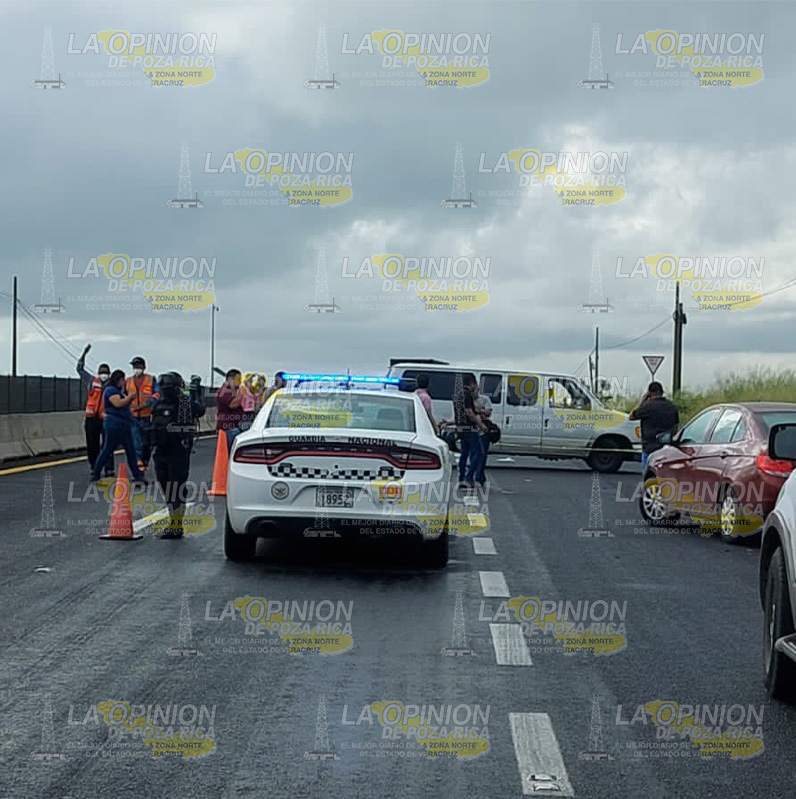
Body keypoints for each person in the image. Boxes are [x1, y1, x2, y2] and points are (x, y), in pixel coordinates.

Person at [149, 371, 205, 539]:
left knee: (177, 488)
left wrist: (191, 393)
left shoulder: (186, 404)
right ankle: (174, 520)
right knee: (166, 487)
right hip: (160, 451)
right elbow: (151, 428)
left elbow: (200, 410)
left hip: (178, 452)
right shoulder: (158, 405)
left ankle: (176, 525)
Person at [91, 370, 147, 483]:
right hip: (115, 425)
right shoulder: (111, 390)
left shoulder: (119, 391)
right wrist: (130, 397)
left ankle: (138, 476)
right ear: (119, 379)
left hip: (124, 425)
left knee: (130, 451)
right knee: (107, 450)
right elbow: (118, 403)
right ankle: (96, 473)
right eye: (122, 380)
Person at [76, 344, 114, 477]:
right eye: (101, 372)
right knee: (92, 445)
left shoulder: (113, 384)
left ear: (109, 374)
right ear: (98, 373)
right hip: (91, 418)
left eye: (105, 373)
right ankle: (94, 466)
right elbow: (80, 369)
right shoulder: (92, 381)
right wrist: (83, 355)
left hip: (107, 419)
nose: (103, 375)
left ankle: (109, 468)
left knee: (108, 445)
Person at [629, 381, 680, 471]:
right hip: (667, 448)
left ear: (650, 393)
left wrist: (643, 400)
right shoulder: (671, 407)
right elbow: (676, 426)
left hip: (649, 448)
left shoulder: (647, 407)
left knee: (648, 477)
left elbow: (632, 416)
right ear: (662, 392)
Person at [452, 374, 488, 487]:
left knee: (464, 453)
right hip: (470, 428)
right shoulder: (467, 395)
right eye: (475, 384)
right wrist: (481, 425)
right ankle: (469, 477)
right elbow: (469, 413)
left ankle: (461, 478)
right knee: (479, 453)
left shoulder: (457, 395)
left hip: (460, 428)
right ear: (471, 383)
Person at [126, 356, 159, 472]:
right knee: (136, 441)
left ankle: (144, 461)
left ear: (144, 367)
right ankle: (138, 464)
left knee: (147, 443)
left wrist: (145, 405)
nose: (136, 369)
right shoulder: (128, 381)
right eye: (134, 366)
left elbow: (157, 395)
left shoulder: (151, 380)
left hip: (146, 416)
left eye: (138, 366)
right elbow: (122, 396)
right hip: (133, 417)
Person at [215, 369, 246, 453]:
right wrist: (241, 393)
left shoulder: (233, 391)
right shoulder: (224, 391)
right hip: (228, 428)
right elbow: (233, 404)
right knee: (230, 452)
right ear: (230, 379)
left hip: (236, 426)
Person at [473, 386, 494, 486]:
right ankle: (479, 476)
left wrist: (478, 411)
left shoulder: (484, 399)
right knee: (474, 454)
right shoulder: (468, 400)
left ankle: (479, 476)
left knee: (482, 455)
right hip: (472, 430)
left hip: (483, 430)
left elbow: (488, 412)